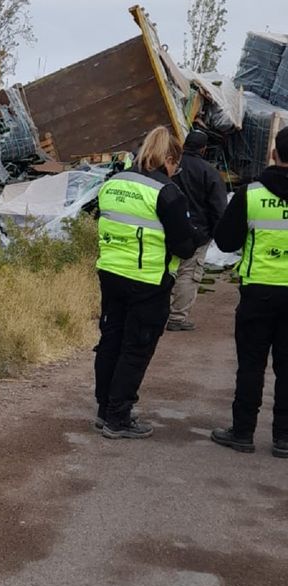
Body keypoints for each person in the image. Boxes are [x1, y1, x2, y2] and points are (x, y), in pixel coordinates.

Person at [94, 125, 197, 439]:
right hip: (148, 280)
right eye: (174, 165)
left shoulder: (112, 183)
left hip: (110, 273)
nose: (175, 171)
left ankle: (103, 409)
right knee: (136, 348)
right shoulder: (167, 192)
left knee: (110, 341)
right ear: (168, 158)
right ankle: (119, 417)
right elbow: (184, 246)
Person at [210, 125, 288, 458]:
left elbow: (226, 241)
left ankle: (242, 432)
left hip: (259, 292)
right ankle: (284, 439)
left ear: (274, 154)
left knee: (252, 365)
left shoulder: (251, 194)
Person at [166, 128, 228, 331]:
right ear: (204, 149)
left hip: (166, 229)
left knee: (164, 269)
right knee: (188, 273)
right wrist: (219, 234)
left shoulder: (170, 166)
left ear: (184, 145)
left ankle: (159, 311)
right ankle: (176, 317)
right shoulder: (209, 172)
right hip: (198, 233)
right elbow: (218, 207)